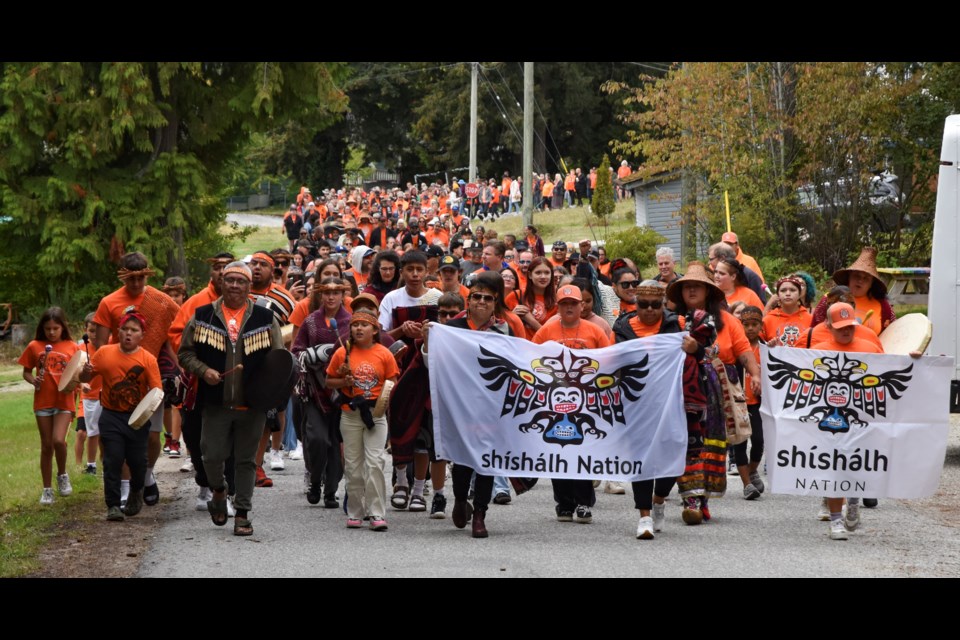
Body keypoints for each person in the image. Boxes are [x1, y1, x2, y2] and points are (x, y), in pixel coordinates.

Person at [178, 261, 284, 537]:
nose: (235, 285)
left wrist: (272, 396)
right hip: (215, 403)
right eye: (230, 280)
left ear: (250, 287)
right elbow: (185, 354)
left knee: (246, 461)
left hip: (253, 404)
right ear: (220, 283)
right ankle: (219, 490)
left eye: (241, 281)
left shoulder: (264, 318)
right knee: (211, 456)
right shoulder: (202, 316)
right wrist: (204, 371)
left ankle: (243, 514)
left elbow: (279, 361)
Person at [666, 263, 761, 524]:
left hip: (716, 389)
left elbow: (743, 351)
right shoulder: (673, 322)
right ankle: (691, 498)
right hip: (681, 391)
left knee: (711, 445)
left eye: (698, 286)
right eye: (687, 287)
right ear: (681, 293)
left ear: (708, 292)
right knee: (688, 443)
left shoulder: (727, 320)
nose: (692, 290)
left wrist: (756, 374)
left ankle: (702, 496)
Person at [422, 272, 514, 538]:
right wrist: (428, 342)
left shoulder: (503, 330)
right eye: (476, 297)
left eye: (488, 298)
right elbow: (432, 366)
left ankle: (481, 514)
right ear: (468, 300)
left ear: (495, 302)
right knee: (462, 461)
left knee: (486, 461)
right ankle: (461, 499)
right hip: (459, 406)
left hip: (490, 407)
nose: (482, 302)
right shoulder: (452, 328)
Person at [93, 251, 179, 509]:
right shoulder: (109, 302)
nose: (137, 285)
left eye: (142, 278)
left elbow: (175, 335)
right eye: (132, 279)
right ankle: (124, 488)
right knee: (115, 439)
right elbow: (99, 345)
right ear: (123, 277)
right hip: (117, 377)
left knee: (151, 438)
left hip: (150, 377)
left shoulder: (161, 301)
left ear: (146, 275)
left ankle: (148, 474)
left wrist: (180, 368)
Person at [613, 281, 699, 538]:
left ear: (663, 304)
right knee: (642, 459)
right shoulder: (622, 327)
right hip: (636, 404)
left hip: (672, 402)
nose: (649, 310)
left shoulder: (679, 325)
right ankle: (644, 516)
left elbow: (703, 355)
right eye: (643, 305)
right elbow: (610, 360)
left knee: (673, 457)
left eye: (655, 305)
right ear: (635, 304)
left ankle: (659, 498)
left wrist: (695, 348)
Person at [804, 302, 889, 540]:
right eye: (840, 327)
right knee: (834, 468)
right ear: (828, 325)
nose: (846, 331)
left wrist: (916, 359)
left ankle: (853, 500)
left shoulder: (870, 347)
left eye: (850, 326)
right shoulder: (818, 350)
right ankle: (835, 520)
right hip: (831, 421)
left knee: (856, 465)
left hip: (862, 420)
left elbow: (891, 373)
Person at [532, 285, 611, 523]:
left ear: (582, 306)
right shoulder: (546, 330)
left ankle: (584, 503)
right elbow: (531, 358)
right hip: (555, 402)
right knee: (559, 450)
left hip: (586, 403)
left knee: (584, 452)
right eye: (564, 304)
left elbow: (609, 361)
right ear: (557, 307)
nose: (569, 307)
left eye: (574, 303)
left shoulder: (595, 331)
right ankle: (564, 504)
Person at [79, 311, 161, 521]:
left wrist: (147, 411)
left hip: (137, 419)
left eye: (134, 330)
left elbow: (156, 392)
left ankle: (136, 491)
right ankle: (113, 505)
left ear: (142, 335)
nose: (128, 334)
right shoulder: (104, 353)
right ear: (118, 331)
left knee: (138, 462)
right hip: (111, 416)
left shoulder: (148, 359)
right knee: (112, 459)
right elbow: (85, 378)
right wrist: (85, 372)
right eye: (125, 329)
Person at [325, 308, 400, 531]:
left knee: (375, 463)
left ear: (375, 330)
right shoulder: (342, 352)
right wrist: (344, 380)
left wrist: (382, 401)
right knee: (354, 466)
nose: (359, 328)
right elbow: (329, 381)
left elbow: (392, 381)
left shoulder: (384, 353)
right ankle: (356, 511)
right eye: (355, 324)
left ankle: (376, 512)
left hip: (375, 415)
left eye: (364, 325)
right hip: (350, 414)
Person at [291, 277, 351, 509]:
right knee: (316, 438)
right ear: (320, 294)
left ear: (343, 295)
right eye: (326, 292)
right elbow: (296, 351)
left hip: (341, 388)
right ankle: (315, 480)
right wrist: (311, 354)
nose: (331, 297)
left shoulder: (349, 321)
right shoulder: (311, 321)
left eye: (336, 292)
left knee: (336, 442)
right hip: (314, 390)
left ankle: (331, 490)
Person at [19, 307, 80, 505]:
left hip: (64, 401)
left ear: (63, 327)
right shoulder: (35, 346)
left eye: (55, 328)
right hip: (43, 402)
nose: (52, 332)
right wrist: (33, 380)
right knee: (46, 446)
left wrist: (84, 378)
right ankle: (47, 490)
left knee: (58, 441)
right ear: (42, 329)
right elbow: (26, 372)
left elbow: (79, 374)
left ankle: (62, 474)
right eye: (48, 329)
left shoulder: (72, 347)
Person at [813, 247, 895, 337]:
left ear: (872, 283)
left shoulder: (883, 306)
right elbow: (814, 331)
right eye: (857, 276)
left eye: (866, 278)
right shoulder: (830, 298)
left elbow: (894, 334)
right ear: (849, 277)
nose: (860, 281)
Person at [734, 306, 767, 500]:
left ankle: (752, 470)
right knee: (739, 442)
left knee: (759, 441)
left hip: (758, 403)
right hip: (738, 402)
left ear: (761, 325)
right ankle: (747, 484)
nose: (750, 329)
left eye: (755, 324)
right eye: (746, 325)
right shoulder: (736, 348)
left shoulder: (766, 349)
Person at [74, 314, 101, 475]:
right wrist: (81, 383)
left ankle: (105, 461)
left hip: (106, 396)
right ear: (86, 330)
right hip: (88, 398)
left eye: (98, 331)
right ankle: (80, 465)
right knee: (83, 432)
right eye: (91, 331)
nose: (94, 334)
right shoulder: (80, 349)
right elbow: (74, 372)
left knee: (105, 434)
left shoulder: (109, 345)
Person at [513, 257, 557, 339]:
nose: (543, 276)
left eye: (547, 273)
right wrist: (512, 315)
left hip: (544, 349)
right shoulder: (516, 295)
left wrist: (530, 320)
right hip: (520, 348)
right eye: (538, 273)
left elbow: (553, 335)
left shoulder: (557, 300)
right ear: (530, 275)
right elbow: (501, 322)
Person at [763, 276, 812, 347]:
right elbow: (759, 345)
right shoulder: (768, 320)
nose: (788, 293)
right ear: (778, 295)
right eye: (783, 290)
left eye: (792, 290)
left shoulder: (810, 319)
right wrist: (769, 346)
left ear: (799, 295)